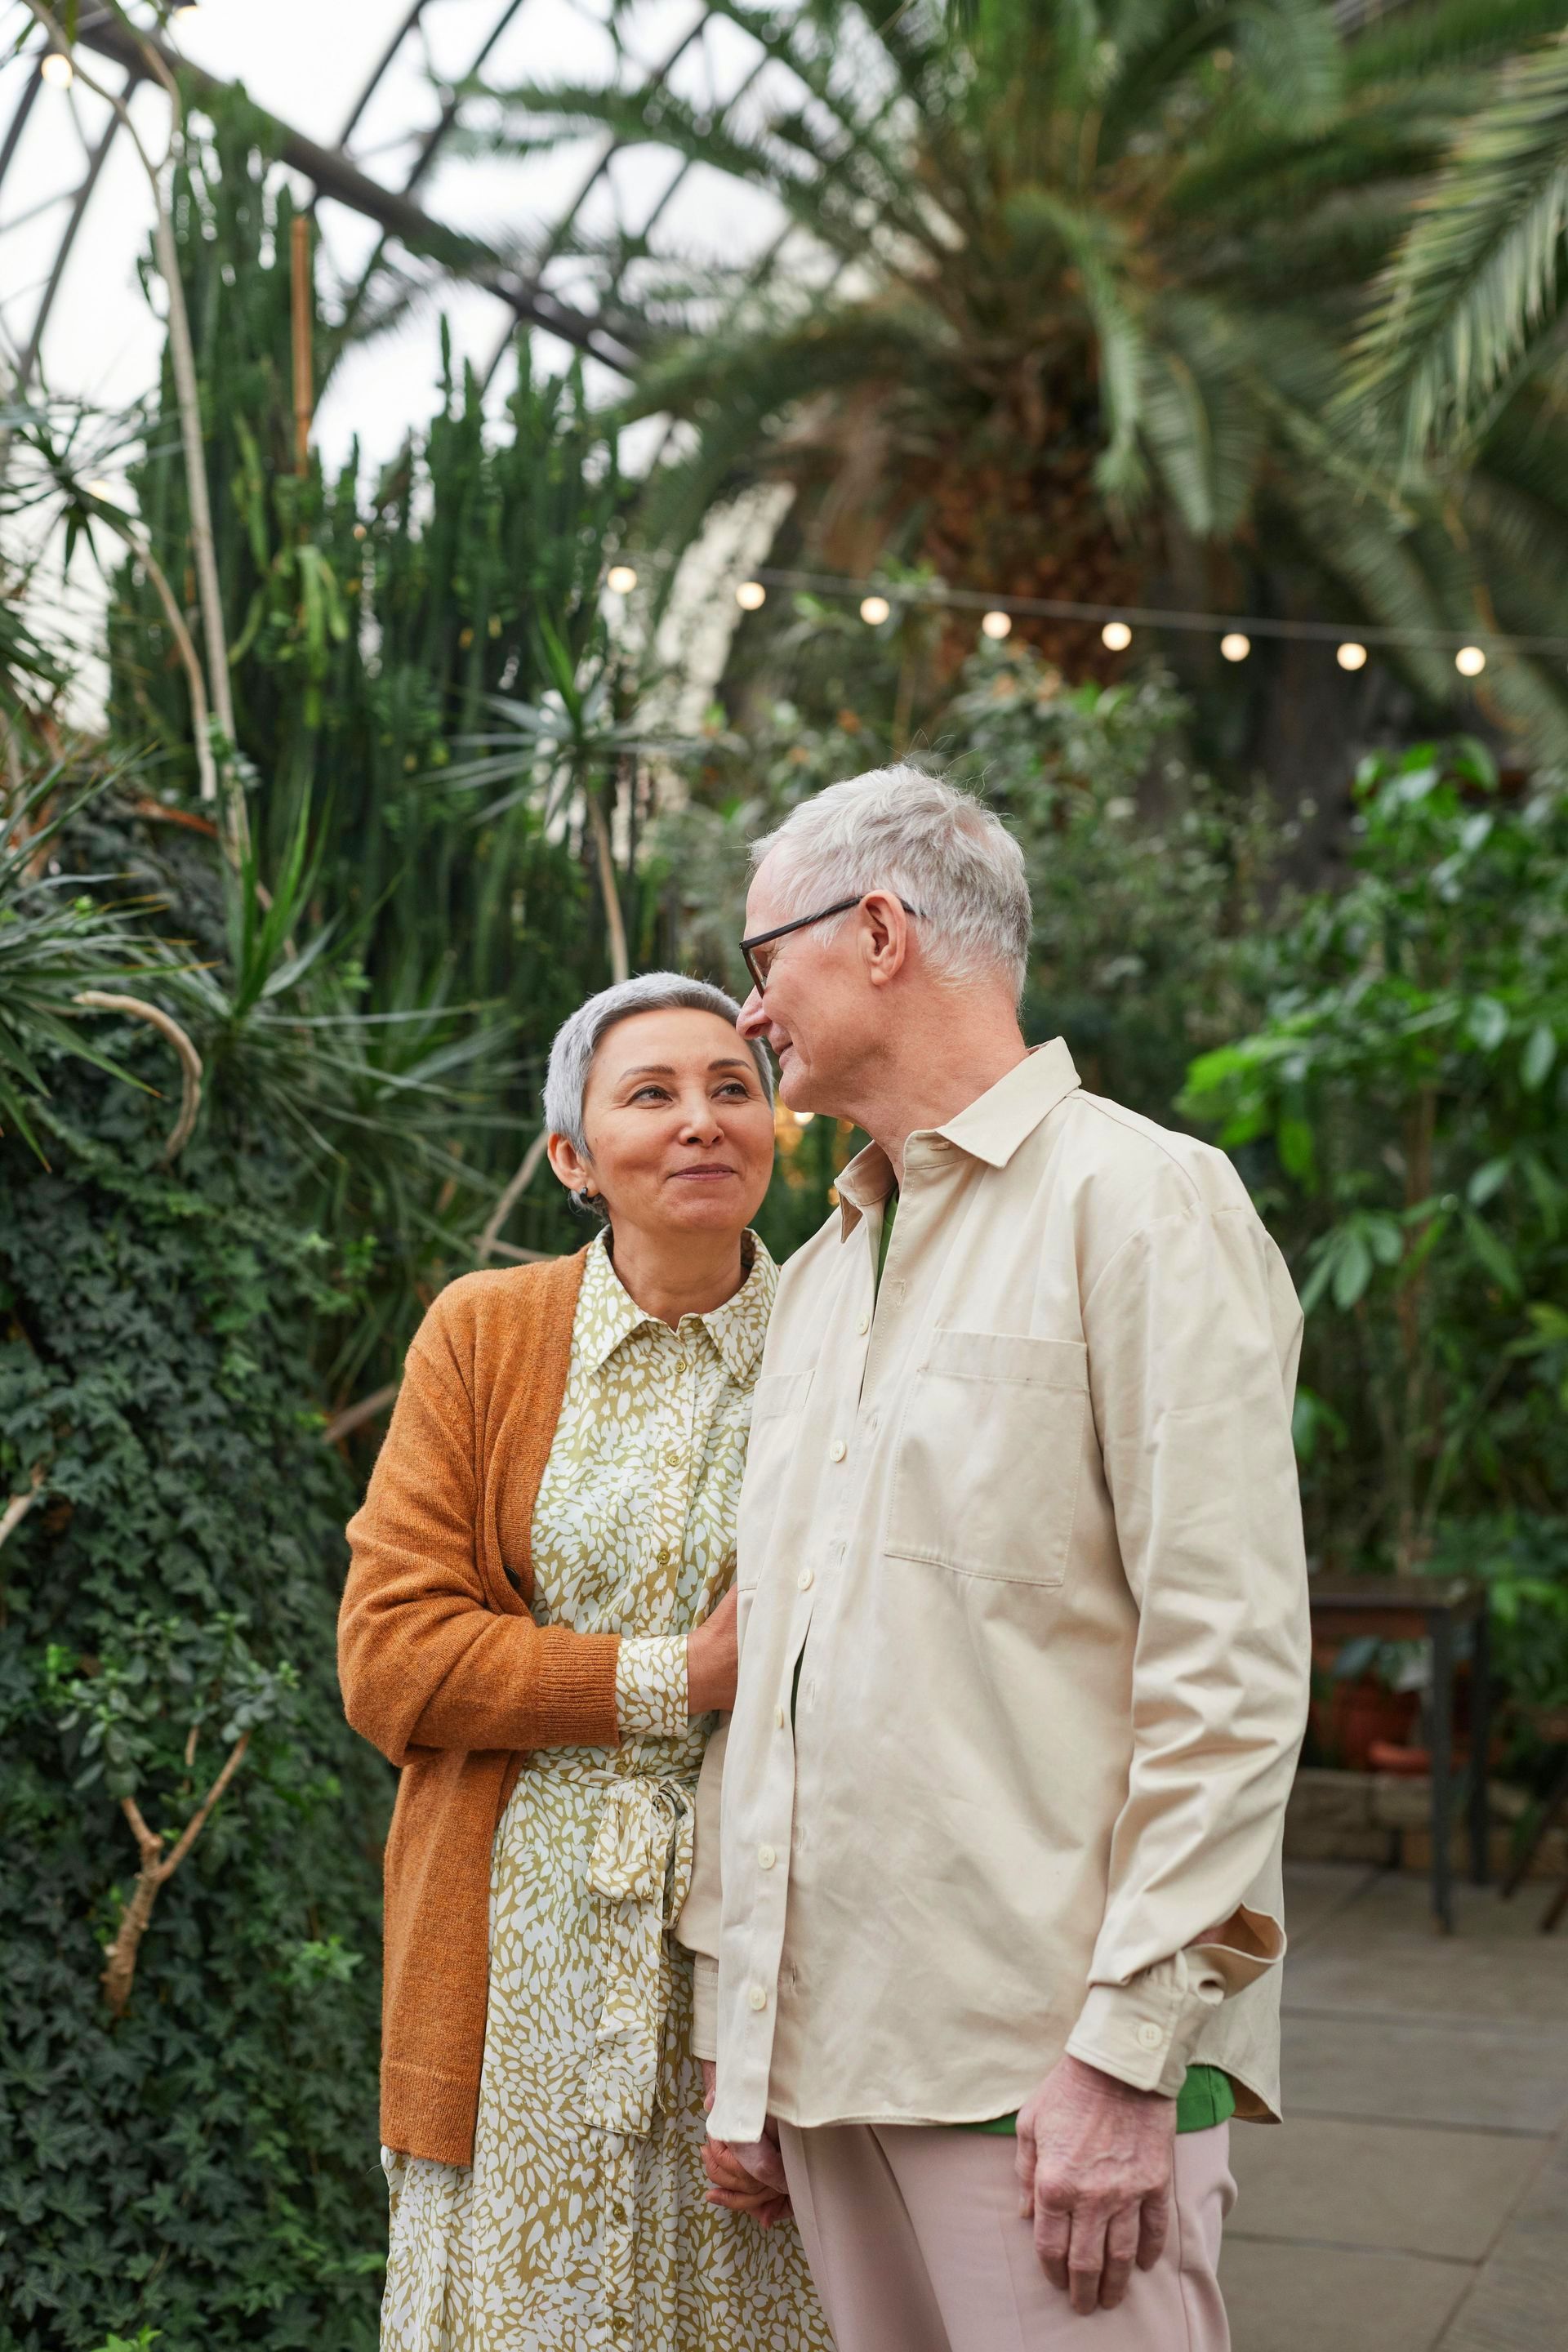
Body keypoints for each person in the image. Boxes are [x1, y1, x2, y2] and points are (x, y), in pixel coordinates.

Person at [679, 770, 1312, 2350]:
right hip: (831, 2067)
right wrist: (743, 2043)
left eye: (766, 962)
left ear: (879, 931)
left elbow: (1227, 1668)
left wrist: (1127, 2055)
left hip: (1056, 2081)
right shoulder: (823, 1270)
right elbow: (790, 1680)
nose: (754, 1014)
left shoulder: (1148, 1203)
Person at [338, 973, 831, 2352]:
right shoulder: (484, 1332)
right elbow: (390, 1660)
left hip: (769, 1944)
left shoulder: (843, 1338)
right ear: (572, 1155)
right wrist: (679, 1675)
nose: (701, 1123)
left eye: (734, 1088)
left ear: (777, 1127)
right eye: (652, 1095)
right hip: (510, 1954)